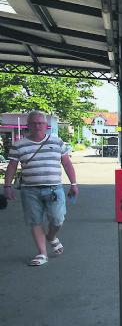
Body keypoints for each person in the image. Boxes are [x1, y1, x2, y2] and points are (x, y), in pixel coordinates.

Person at [3, 110, 79, 266]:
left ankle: (51, 236)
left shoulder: (57, 142)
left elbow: (66, 163)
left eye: (40, 123)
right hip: (29, 190)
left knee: (58, 219)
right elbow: (12, 167)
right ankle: (42, 253)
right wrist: (7, 186)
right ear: (28, 125)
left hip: (54, 189)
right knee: (35, 221)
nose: (37, 126)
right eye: (34, 123)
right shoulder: (19, 145)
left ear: (46, 125)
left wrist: (73, 184)